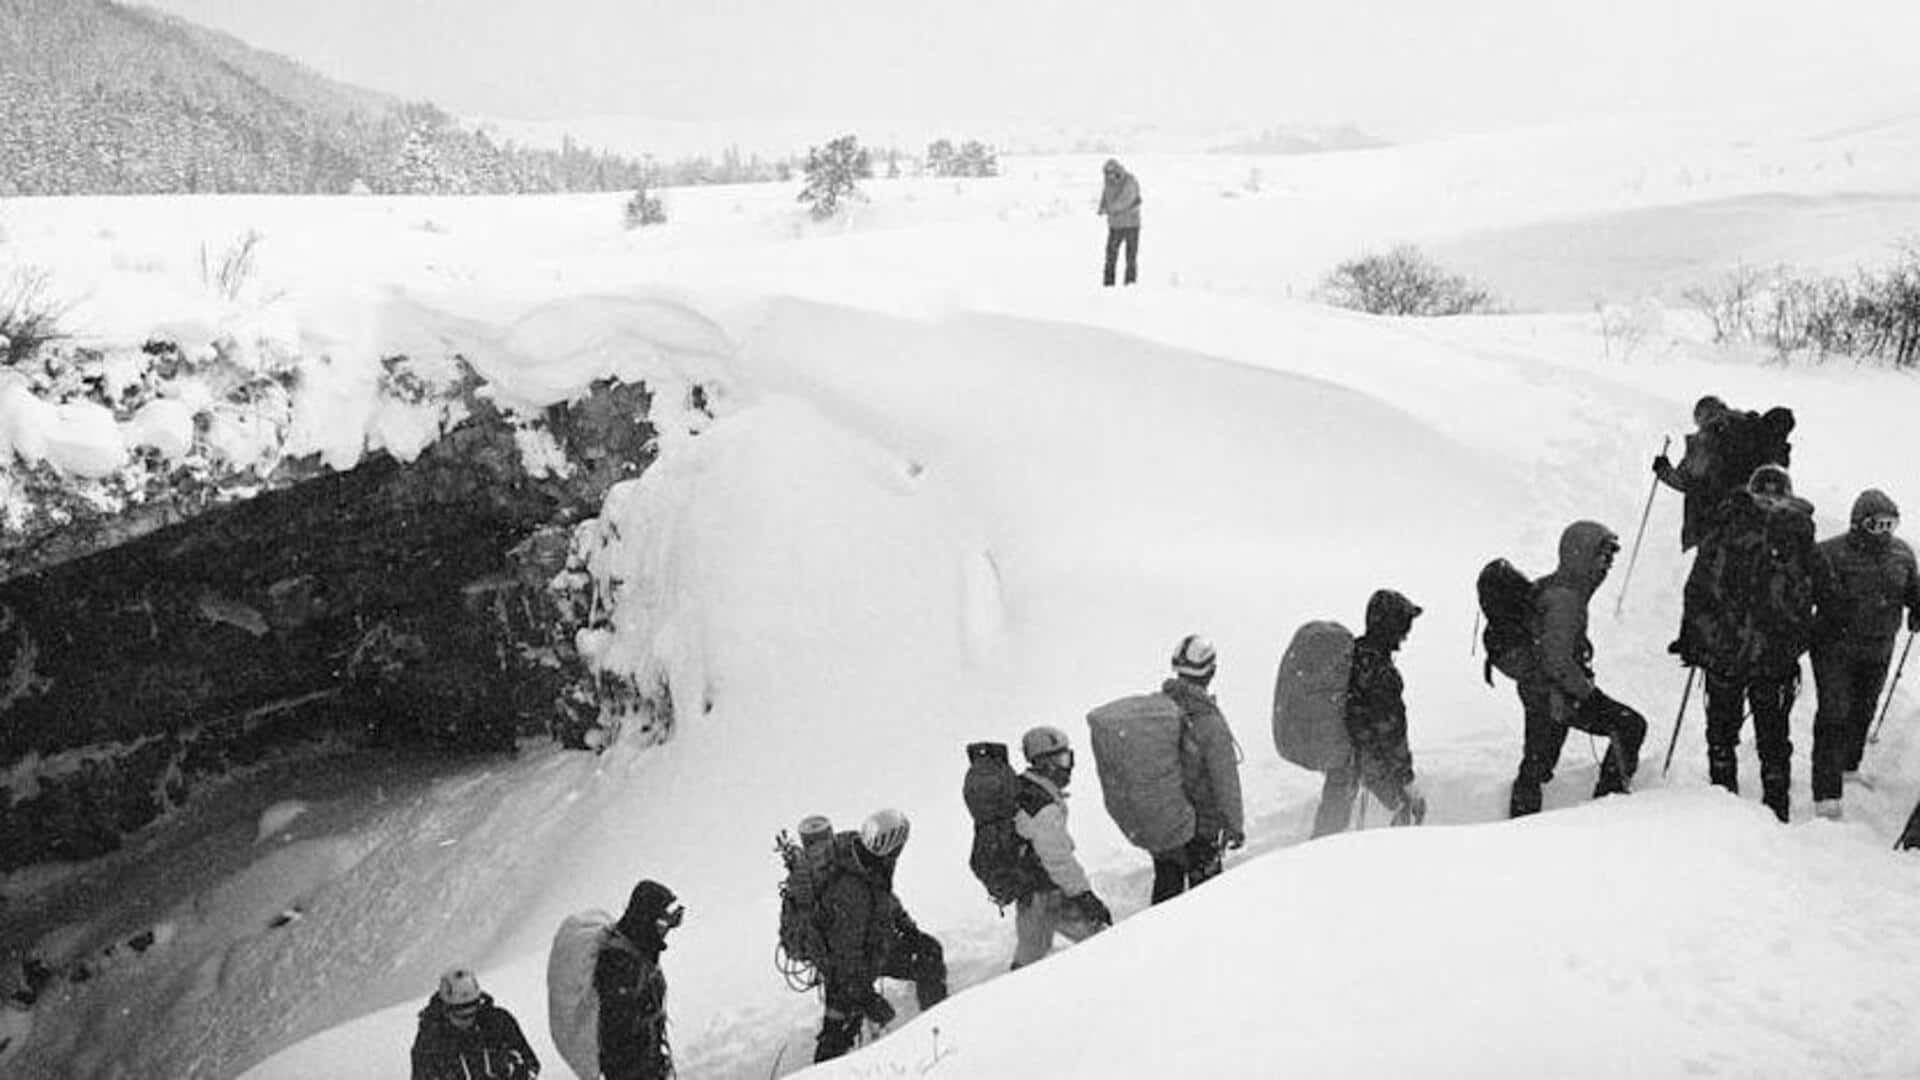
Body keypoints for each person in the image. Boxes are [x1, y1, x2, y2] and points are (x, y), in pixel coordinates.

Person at [1676, 465, 1816, 822]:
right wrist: (1803, 637)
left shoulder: (1727, 527)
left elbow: (1698, 588)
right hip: (1774, 656)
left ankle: (1723, 802)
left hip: (1726, 651)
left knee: (1723, 732)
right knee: (1772, 737)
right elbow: (1822, 591)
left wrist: (1693, 638)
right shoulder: (1798, 533)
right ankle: (1775, 808)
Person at [1509, 521, 1648, 818]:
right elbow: (1556, 659)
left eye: (1611, 558)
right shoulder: (1565, 598)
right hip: (1555, 694)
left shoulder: (1556, 586)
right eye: (1603, 556)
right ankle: (1606, 809)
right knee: (1629, 726)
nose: (1607, 565)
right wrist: (1588, 694)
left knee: (1537, 763)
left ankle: (1520, 825)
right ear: (1581, 554)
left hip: (1539, 690)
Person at [1811, 490, 1920, 819]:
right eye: (1877, 525)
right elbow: (1806, 595)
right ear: (1859, 524)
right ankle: (1826, 792)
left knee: (1863, 709)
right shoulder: (1831, 553)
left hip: (1879, 647)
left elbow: (1912, 590)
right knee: (1834, 712)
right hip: (1835, 648)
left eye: (1891, 523)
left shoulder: (1902, 553)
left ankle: (1849, 765)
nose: (1885, 532)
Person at [814, 809, 948, 1063]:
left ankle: (937, 1027)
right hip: (846, 970)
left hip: (871, 949)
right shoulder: (851, 890)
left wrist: (908, 928)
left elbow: (885, 901)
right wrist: (867, 998)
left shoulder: (870, 862)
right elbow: (844, 956)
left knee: (927, 952)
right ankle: (822, 1071)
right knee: (840, 1029)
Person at [1312, 590, 1427, 837]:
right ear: (1391, 627)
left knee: (1330, 821)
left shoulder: (1352, 653)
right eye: (1404, 626)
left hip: (1342, 753)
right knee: (1403, 809)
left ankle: (1312, 863)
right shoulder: (1381, 674)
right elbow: (1392, 735)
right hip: (1359, 758)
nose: (1406, 635)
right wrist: (1407, 781)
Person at [1009, 726, 1112, 969]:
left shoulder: (1028, 789)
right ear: (1044, 763)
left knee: (1031, 954)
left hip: (1036, 885)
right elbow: (1057, 859)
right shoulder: (1041, 805)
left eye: (1069, 757)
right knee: (1101, 938)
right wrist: (1084, 896)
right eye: (1062, 759)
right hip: (1042, 892)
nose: (1068, 766)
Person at [1152, 634, 1245, 902]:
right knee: (1207, 903)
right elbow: (1224, 777)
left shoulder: (1159, 709)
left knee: (1166, 895)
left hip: (1167, 822)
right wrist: (1234, 824)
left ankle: (1151, 941)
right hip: (1201, 828)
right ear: (1211, 671)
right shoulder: (1208, 721)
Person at [597, 880, 683, 1080]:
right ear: (646, 919)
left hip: (646, 1066)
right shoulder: (619, 964)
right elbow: (619, 1031)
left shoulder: (638, 951)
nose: (665, 931)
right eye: (662, 923)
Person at [410, 967, 541, 1080]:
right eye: (461, 1016)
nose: (468, 1020)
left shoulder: (499, 1022)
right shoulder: (430, 1040)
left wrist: (516, 1072)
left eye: (473, 1012)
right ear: (445, 1009)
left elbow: (531, 1064)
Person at [1652, 394, 1733, 551]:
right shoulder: (1736, 442)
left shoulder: (1706, 442)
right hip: (1730, 522)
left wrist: (1664, 471)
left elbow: (1690, 483)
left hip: (1705, 520)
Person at [1096, 158, 1141, 287]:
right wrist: (1102, 207)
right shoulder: (1108, 184)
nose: (1109, 176)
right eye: (1106, 173)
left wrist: (1110, 209)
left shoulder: (1129, 181)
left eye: (1111, 172)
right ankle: (1108, 285)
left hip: (1131, 225)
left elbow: (1125, 201)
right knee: (1110, 257)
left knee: (1130, 258)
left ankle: (1130, 285)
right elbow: (1105, 198)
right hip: (1115, 226)